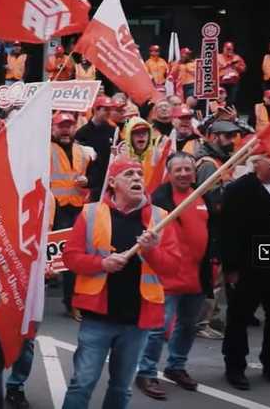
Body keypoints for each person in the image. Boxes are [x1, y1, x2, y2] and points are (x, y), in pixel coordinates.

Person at [61, 159, 180, 409]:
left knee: (121, 388)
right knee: (82, 383)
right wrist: (101, 264)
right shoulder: (90, 213)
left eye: (139, 173)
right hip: (97, 318)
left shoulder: (161, 218)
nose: (137, 178)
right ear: (113, 183)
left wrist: (151, 252)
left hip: (137, 320)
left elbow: (172, 268)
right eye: (129, 174)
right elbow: (70, 258)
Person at [135, 152, 215, 399]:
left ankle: (176, 366)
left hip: (196, 276)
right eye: (177, 170)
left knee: (188, 326)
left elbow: (212, 230)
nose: (183, 174)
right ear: (169, 172)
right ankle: (146, 372)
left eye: (187, 169)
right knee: (158, 328)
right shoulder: (158, 199)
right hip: (167, 276)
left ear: (194, 172)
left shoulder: (202, 195)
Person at [220, 146, 270, 390]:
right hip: (249, 262)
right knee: (240, 316)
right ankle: (235, 365)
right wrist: (231, 267)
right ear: (255, 162)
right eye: (268, 158)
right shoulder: (239, 189)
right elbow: (228, 231)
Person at [48, 113, 90, 320]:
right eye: (61, 126)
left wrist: (87, 181)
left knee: (73, 259)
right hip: (52, 211)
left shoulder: (82, 151)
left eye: (69, 126)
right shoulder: (43, 149)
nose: (65, 130)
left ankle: (73, 302)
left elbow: (94, 176)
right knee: (54, 261)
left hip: (77, 209)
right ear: (53, 128)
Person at [75, 96, 118, 192]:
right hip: (88, 183)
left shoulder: (113, 131)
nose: (109, 113)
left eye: (110, 109)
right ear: (96, 110)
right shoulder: (82, 133)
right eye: (106, 109)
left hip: (108, 182)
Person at [218, 41, 246, 106]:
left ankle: (230, 113)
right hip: (221, 82)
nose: (229, 50)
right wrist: (224, 66)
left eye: (230, 49)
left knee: (231, 100)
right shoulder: (218, 57)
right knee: (220, 100)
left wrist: (236, 66)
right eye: (227, 49)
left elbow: (243, 69)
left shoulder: (237, 57)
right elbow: (213, 69)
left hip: (233, 82)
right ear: (224, 48)